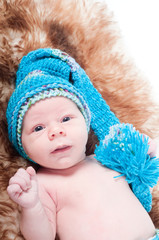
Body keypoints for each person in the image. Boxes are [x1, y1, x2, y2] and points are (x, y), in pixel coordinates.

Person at [6, 48, 159, 240]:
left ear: (86, 123)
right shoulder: (42, 184)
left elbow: (142, 175)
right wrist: (31, 206)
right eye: (38, 128)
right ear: (22, 146)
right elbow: (41, 237)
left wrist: (146, 151)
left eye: (65, 119)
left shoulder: (106, 158)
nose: (56, 131)